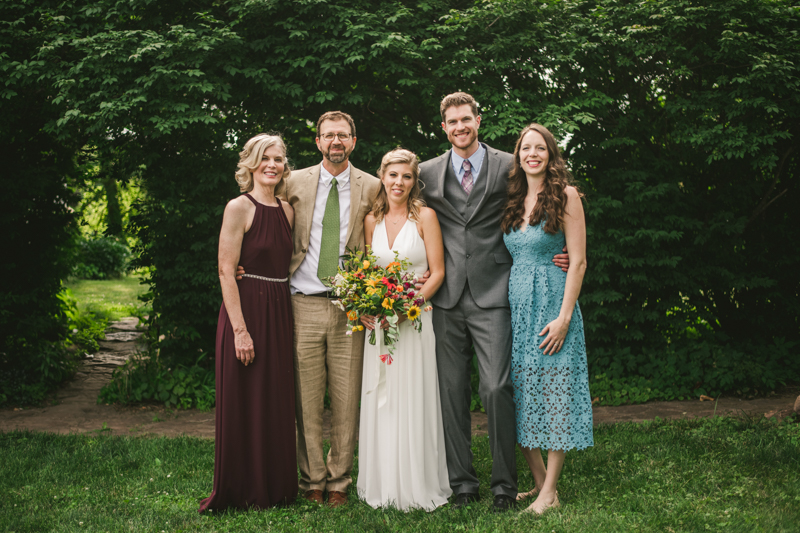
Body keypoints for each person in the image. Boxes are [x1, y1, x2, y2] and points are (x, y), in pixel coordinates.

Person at [418, 92, 570, 512]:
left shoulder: (510, 163)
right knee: (450, 391)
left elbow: (551, 197)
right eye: (452, 122)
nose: (460, 127)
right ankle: (462, 482)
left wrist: (566, 249)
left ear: (478, 121)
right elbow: (393, 205)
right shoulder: (427, 172)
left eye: (466, 119)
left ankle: (505, 485)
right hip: (445, 297)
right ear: (443, 127)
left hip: (496, 291)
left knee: (497, 386)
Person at [283, 112, 382, 507]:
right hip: (302, 303)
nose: (336, 141)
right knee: (305, 400)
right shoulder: (293, 183)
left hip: (349, 308)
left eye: (343, 135)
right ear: (318, 141)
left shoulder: (373, 186)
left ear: (353, 142)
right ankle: (312, 480)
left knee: (346, 398)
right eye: (329, 135)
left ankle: (339, 481)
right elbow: (266, 221)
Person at [199, 133, 298, 512]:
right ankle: (240, 488)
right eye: (265, 159)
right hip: (245, 313)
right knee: (245, 401)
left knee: (273, 400)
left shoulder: (288, 210)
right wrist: (240, 331)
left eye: (279, 159)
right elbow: (226, 270)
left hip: (278, 310)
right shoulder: (238, 207)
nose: (272, 165)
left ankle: (275, 487)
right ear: (251, 164)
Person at [501, 123, 594, 515]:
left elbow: (579, 261)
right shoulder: (513, 197)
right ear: (518, 155)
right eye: (526, 148)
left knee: (555, 396)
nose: (532, 154)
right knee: (521, 395)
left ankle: (551, 489)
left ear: (551, 155)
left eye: (540, 148)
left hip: (554, 306)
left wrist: (564, 318)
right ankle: (541, 484)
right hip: (518, 309)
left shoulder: (567, 195)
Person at [357, 148, 451, 511]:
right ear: (382, 176)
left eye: (407, 177)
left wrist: (405, 309)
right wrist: (370, 308)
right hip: (380, 323)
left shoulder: (425, 216)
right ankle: (383, 481)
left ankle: (417, 482)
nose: (399, 183)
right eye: (393, 175)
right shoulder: (371, 221)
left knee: (413, 394)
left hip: (414, 319)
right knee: (383, 397)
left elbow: (438, 272)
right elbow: (367, 275)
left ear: (415, 181)